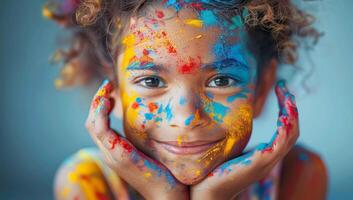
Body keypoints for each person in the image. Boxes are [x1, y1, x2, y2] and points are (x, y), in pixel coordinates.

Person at [43, 0, 328, 199]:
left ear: (262, 88)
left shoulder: (297, 175)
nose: (186, 116)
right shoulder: (86, 182)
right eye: (151, 81)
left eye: (221, 81)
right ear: (113, 89)